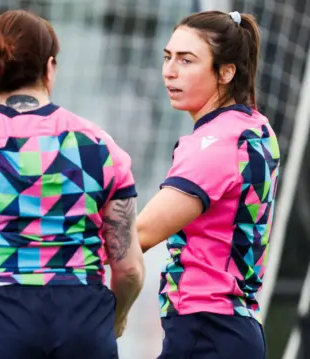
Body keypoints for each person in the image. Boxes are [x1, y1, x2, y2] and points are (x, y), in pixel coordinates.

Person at [0, 9, 145, 359]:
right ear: (50, 68)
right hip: (82, 322)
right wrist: (115, 318)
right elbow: (129, 269)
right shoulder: (100, 147)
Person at [137, 10, 279, 358]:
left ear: (226, 72)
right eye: (167, 57)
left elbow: (139, 234)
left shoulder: (216, 142)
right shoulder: (255, 126)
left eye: (187, 60)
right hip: (228, 328)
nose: (170, 70)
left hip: (206, 328)